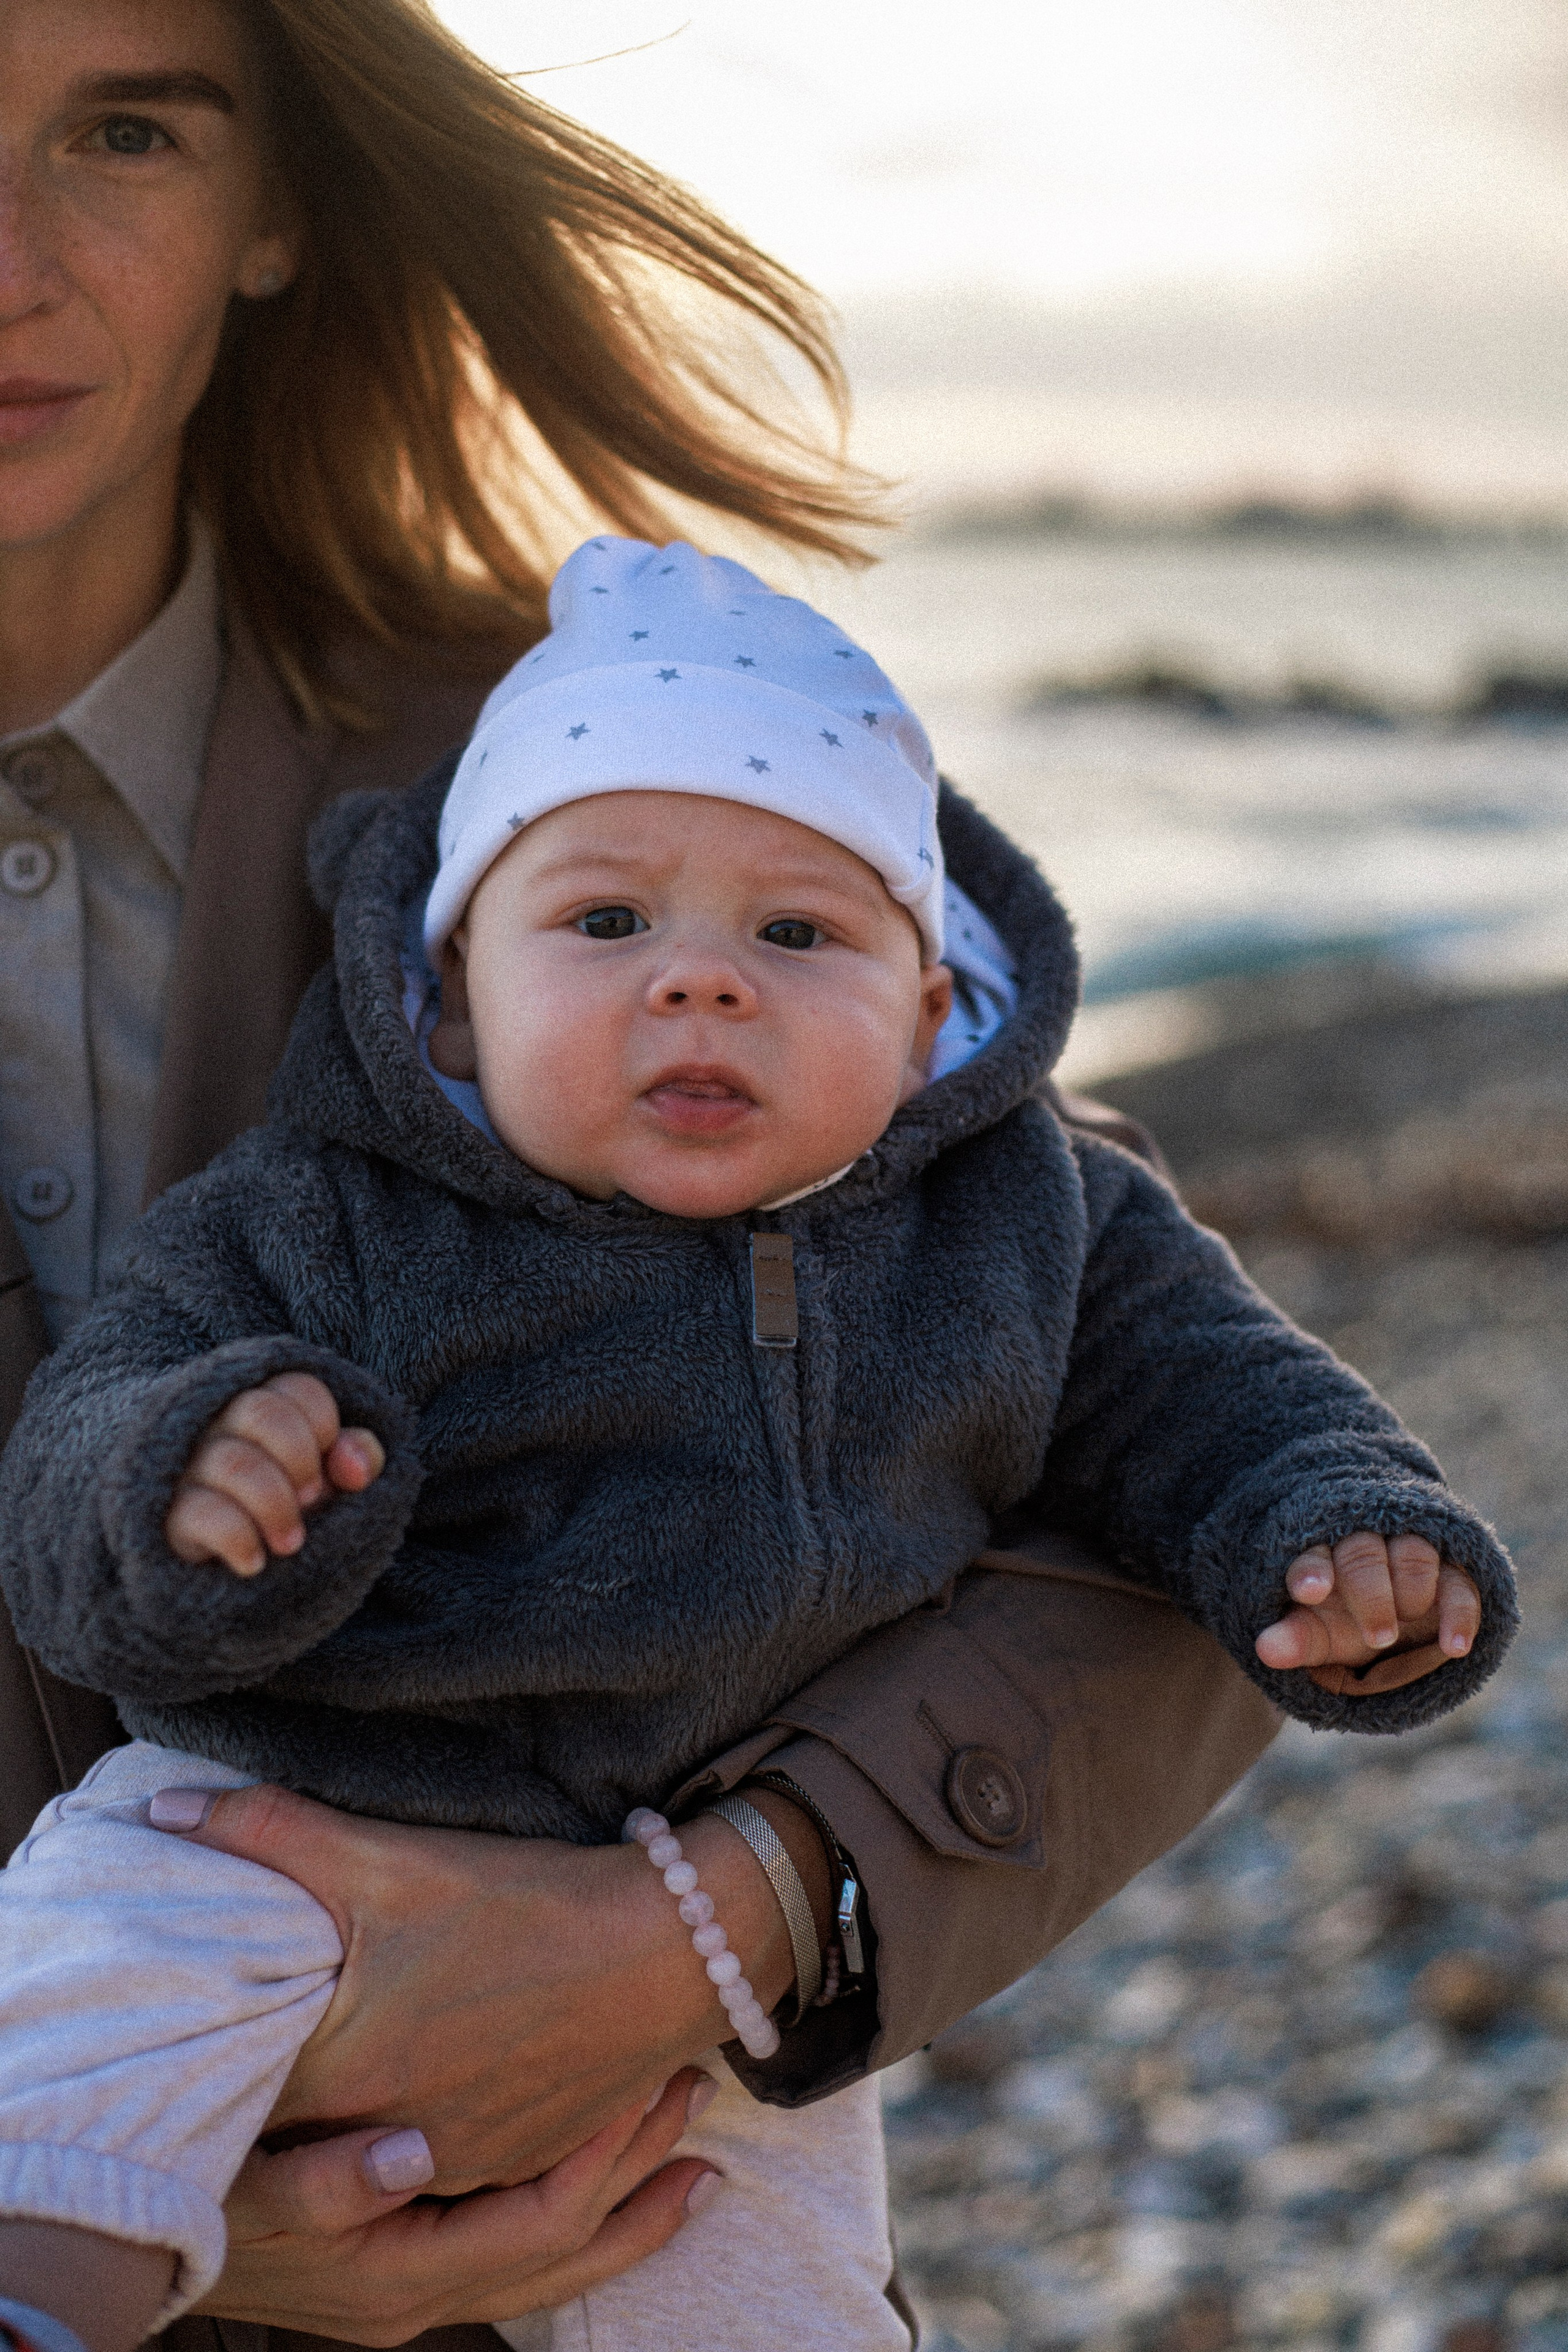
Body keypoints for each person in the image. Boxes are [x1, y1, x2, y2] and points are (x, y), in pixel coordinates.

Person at [0, 0, 1332, 2341]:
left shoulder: (577, 806)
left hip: (614, 2237)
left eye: (120, 131)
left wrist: (712, 1918)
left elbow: (1137, 1401)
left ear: (278, 205)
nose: (2, 260)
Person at [0, 538, 1517, 2351]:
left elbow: (1220, 1391)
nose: (700, 982)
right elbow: (87, 1442)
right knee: (73, 2068)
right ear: (454, 995)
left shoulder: (1022, 1222)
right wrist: (195, 1478)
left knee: (774, 2287)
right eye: (606, 922)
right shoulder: (331, 1217)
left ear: (935, 1011)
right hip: (268, 1820)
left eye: (798, 935)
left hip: (696, 1953)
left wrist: (1336, 1530)